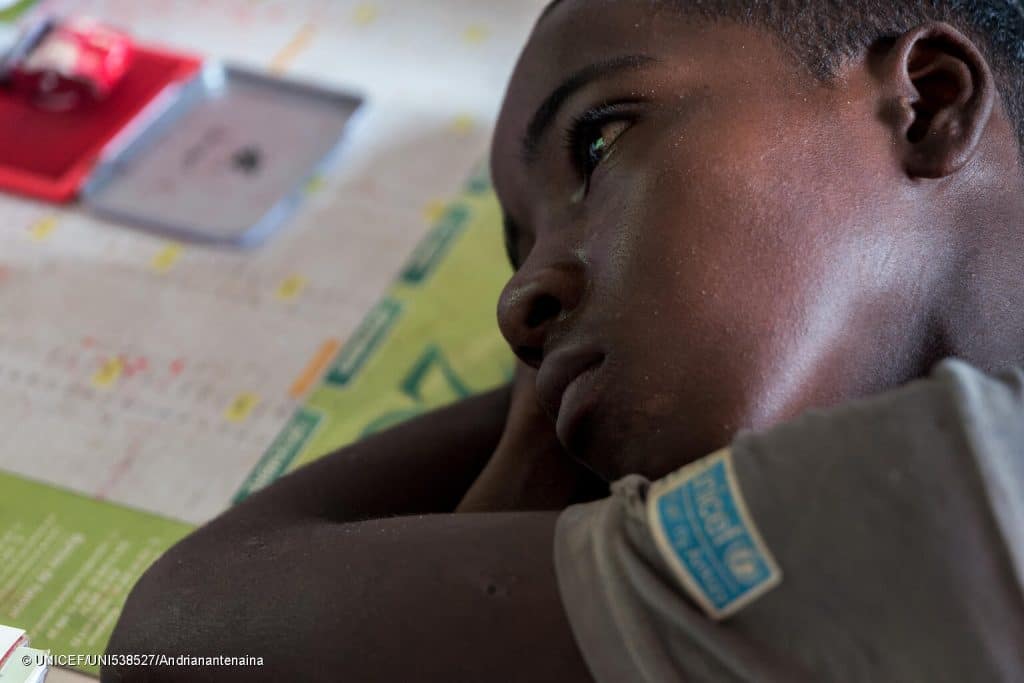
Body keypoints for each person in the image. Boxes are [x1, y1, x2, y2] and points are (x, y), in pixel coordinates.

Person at [101, 1, 1024, 681]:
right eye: (523, 247)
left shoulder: (954, 493)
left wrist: (547, 424)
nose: (516, 307)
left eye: (599, 145)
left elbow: (180, 640)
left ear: (928, 101)